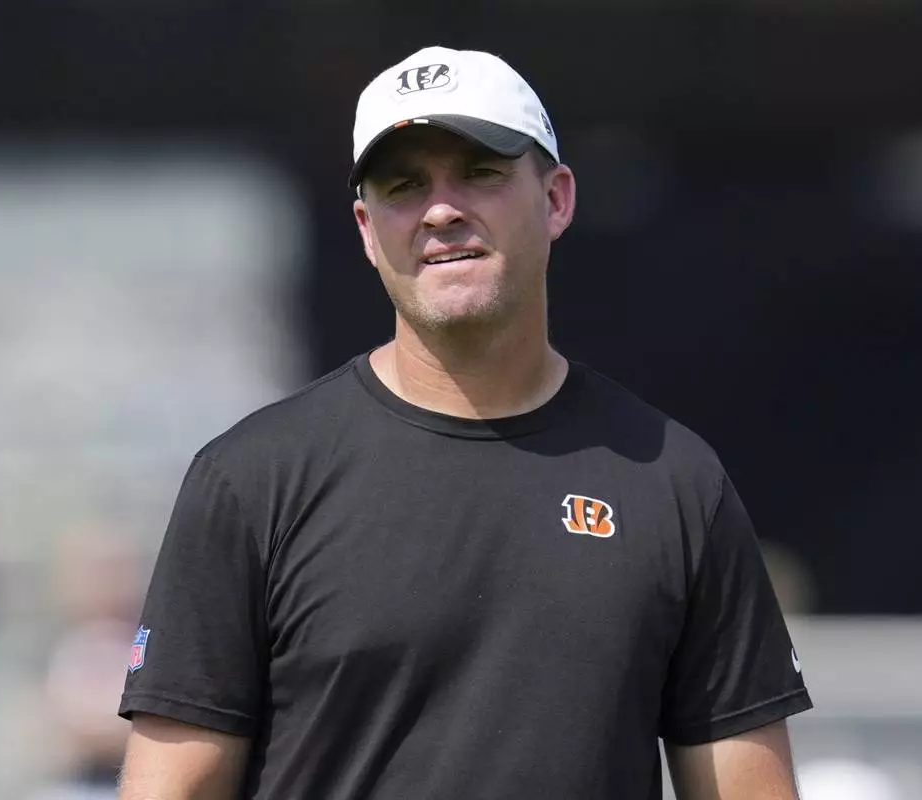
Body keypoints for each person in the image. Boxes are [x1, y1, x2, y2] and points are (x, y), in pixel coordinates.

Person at [117, 45, 812, 800]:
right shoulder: (252, 481)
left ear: (556, 199)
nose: (441, 210)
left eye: (479, 171)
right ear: (365, 228)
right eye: (404, 185)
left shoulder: (675, 482)